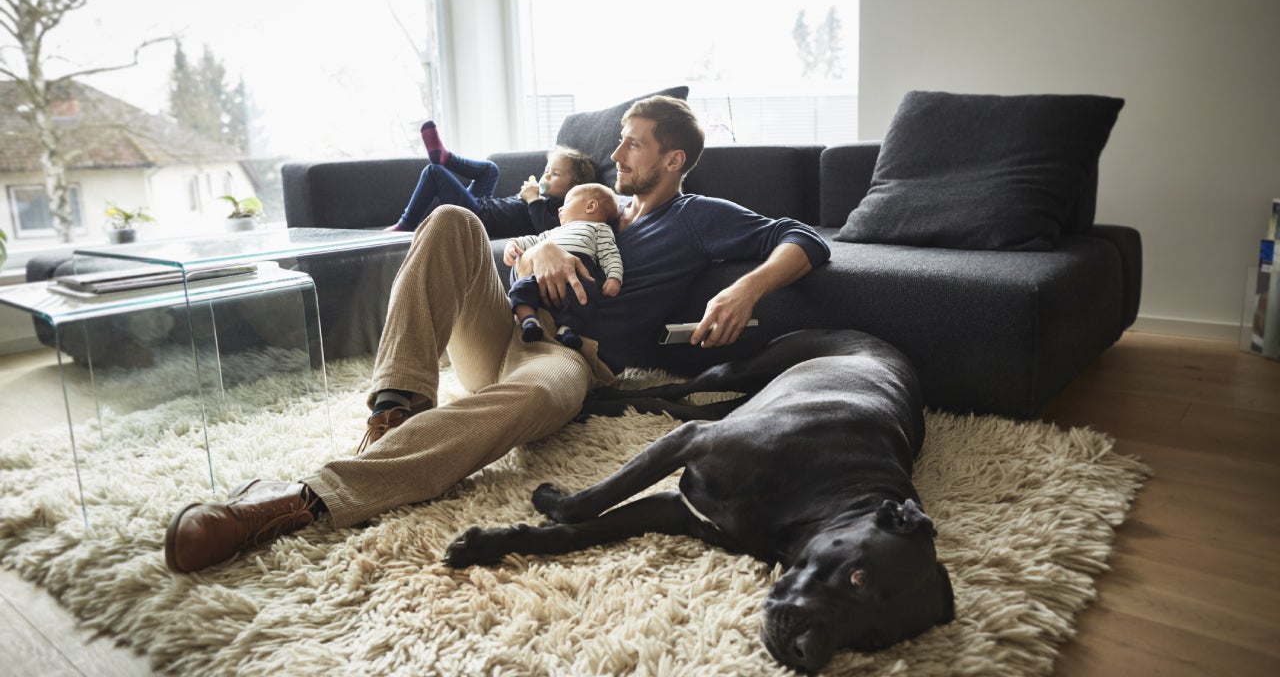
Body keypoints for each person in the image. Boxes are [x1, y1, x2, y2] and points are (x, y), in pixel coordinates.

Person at [163, 95, 832, 574]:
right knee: (453, 218)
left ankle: (297, 502)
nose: (614, 151)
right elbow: (531, 240)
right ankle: (392, 414)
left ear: (673, 157)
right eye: (618, 138)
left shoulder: (694, 216)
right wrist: (532, 250)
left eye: (633, 141)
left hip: (569, 359)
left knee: (542, 397)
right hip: (503, 329)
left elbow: (799, 237)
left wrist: (745, 288)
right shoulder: (601, 207)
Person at [385, 121, 595, 237]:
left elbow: (549, 232)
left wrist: (533, 200)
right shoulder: (545, 196)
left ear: (573, 188)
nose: (547, 175)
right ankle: (445, 157)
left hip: (479, 220)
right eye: (548, 169)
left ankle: (406, 224)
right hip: (483, 207)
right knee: (491, 170)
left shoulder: (561, 209)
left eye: (555, 174)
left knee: (434, 173)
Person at [505, 183, 623, 351]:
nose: (560, 209)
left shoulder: (600, 229)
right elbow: (531, 240)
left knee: (588, 295)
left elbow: (610, 254)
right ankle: (529, 321)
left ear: (590, 206)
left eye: (566, 203)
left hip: (579, 271)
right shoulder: (555, 231)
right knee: (520, 288)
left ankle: (567, 329)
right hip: (541, 269)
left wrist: (614, 277)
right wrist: (513, 244)